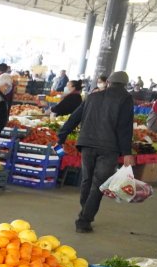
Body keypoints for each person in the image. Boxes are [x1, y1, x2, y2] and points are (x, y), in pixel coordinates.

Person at [58, 70, 136, 233]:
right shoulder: (125, 98)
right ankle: (84, 220)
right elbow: (124, 127)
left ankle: (84, 211)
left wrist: (62, 135)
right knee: (99, 183)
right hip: (109, 147)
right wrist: (127, 152)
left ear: (109, 82)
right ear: (125, 85)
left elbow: (74, 117)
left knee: (87, 179)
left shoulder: (92, 96)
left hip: (87, 143)